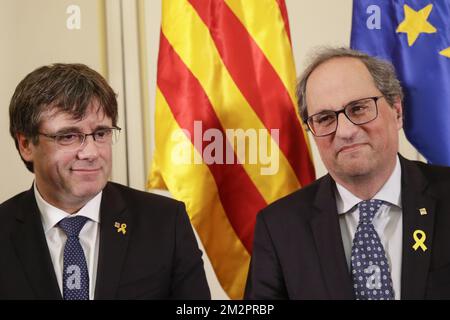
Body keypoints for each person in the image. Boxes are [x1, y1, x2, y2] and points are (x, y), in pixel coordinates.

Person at [245, 47, 450, 300]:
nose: (345, 131)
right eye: (325, 118)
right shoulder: (279, 226)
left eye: (359, 108)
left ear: (397, 111)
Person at [0, 63, 210, 300]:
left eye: (101, 134)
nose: (90, 152)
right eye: (69, 136)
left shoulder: (164, 222)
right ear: (26, 144)